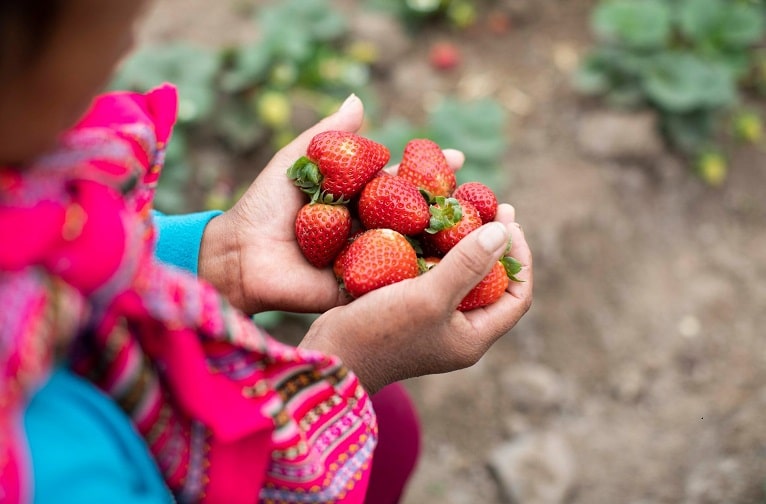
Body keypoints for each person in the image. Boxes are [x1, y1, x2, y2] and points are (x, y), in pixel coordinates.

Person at [0, 1, 533, 503]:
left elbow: (74, 254)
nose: (128, 41)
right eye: (115, 25)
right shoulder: (46, 467)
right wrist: (341, 368)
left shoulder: (36, 191)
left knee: (388, 427)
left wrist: (219, 258)